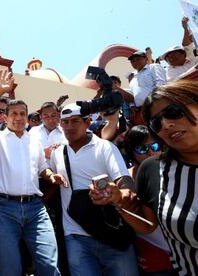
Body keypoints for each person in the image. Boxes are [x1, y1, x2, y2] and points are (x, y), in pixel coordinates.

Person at [0, 70, 63, 276]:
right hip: (3, 209)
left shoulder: (34, 139)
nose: (18, 117)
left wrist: (50, 176)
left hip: (35, 209)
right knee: (9, 270)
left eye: (22, 114)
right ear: (5, 117)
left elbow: (42, 167)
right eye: (13, 114)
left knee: (50, 266)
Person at [51, 102, 139, 276]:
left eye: (75, 121)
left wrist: (123, 193)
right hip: (75, 236)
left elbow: (123, 178)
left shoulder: (105, 147)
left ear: (87, 122)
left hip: (111, 233)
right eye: (65, 122)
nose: (69, 126)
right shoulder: (57, 153)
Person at [123, 80, 198, 275]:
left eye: (173, 112)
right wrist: (119, 205)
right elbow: (149, 226)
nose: (166, 124)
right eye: (156, 122)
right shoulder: (154, 170)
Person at [122, 125, 174, 275]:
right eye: (142, 149)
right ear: (131, 152)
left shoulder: (175, 172)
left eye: (155, 146)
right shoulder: (126, 179)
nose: (151, 152)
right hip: (152, 254)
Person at [162, 17, 198, 82]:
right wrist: (194, 69)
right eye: (167, 58)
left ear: (183, 54)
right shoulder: (168, 71)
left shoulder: (193, 60)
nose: (171, 58)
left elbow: (186, 45)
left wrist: (185, 28)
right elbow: (176, 82)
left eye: (173, 55)